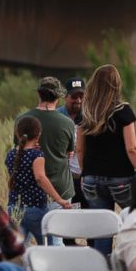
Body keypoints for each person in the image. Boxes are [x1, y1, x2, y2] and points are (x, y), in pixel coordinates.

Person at [78, 65, 136, 257]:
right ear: (116, 84)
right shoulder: (123, 111)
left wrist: (85, 173)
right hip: (121, 178)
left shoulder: (86, 112)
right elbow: (131, 148)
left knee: (103, 229)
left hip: (91, 179)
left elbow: (80, 148)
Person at [16, 77, 76, 243]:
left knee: (20, 241)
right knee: (56, 240)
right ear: (59, 97)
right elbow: (69, 154)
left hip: (29, 190)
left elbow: (18, 151)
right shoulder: (67, 123)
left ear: (38, 94)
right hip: (59, 188)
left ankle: (23, 268)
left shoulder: (23, 120)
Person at [6, 116, 72, 244]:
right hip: (35, 208)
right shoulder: (37, 155)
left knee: (18, 248)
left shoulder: (11, 155)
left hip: (14, 207)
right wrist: (59, 199)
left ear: (17, 134)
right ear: (38, 135)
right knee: (48, 246)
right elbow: (40, 177)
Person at [57, 77, 86, 208]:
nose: (78, 100)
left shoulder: (89, 116)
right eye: (74, 96)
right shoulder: (57, 116)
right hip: (64, 177)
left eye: (81, 96)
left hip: (85, 176)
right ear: (66, 96)